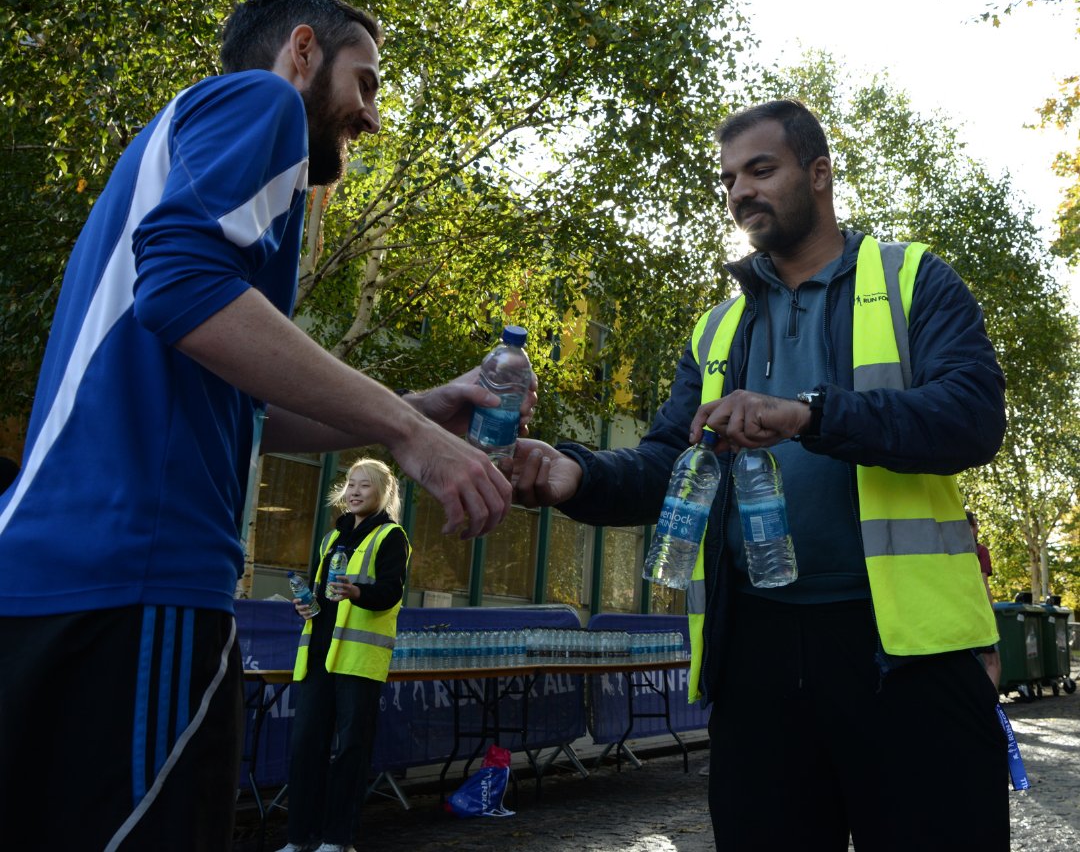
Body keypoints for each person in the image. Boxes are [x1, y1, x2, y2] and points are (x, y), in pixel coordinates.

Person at [0, 0, 532, 851]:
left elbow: (247, 406)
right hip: (140, 581)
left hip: (53, 580)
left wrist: (420, 406)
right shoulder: (265, 104)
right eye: (364, 83)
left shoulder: (176, 153)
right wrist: (411, 440)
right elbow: (182, 288)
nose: (369, 116)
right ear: (301, 51)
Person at [512, 99, 1009, 851]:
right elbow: (663, 467)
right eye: (728, 179)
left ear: (819, 174)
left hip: (907, 662)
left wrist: (810, 414)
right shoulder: (716, 327)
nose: (741, 190)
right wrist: (572, 476)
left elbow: (971, 418)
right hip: (757, 664)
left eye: (761, 169)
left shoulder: (917, 281)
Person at [277, 458, 409, 852]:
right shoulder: (330, 539)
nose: (354, 492)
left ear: (382, 493)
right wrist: (305, 606)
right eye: (351, 484)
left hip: (358, 661)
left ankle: (337, 840)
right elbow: (319, 596)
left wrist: (357, 593)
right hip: (318, 656)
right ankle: (298, 838)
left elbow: (391, 594)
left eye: (364, 486)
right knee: (306, 748)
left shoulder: (390, 536)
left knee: (350, 750)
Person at [968, 509, 1003, 689]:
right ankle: (991, 709)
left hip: (955, 614)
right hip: (978, 613)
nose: (977, 528)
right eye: (974, 524)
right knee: (993, 663)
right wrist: (991, 615)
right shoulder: (979, 550)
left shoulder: (947, 553)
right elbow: (983, 584)